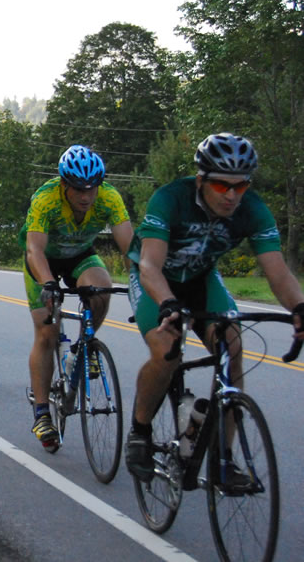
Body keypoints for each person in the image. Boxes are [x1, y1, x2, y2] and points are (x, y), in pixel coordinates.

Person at [125, 133, 304, 482]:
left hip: (201, 280)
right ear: (201, 180)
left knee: (232, 347)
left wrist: (299, 306)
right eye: (222, 186)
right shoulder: (170, 199)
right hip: (156, 281)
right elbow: (149, 265)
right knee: (167, 351)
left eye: (241, 186)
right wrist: (167, 303)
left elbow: (278, 272)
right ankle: (140, 432)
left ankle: (224, 459)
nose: (232, 195)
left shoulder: (253, 210)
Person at [20, 145, 133, 452]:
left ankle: (81, 348)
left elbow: (129, 248)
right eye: (79, 189)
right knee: (47, 331)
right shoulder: (46, 199)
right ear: (64, 184)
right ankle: (42, 413)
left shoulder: (109, 197)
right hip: (43, 260)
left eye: (92, 188)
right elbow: (34, 250)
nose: (86, 196)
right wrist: (48, 283)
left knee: (102, 288)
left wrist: (139, 284)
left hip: (79, 256)